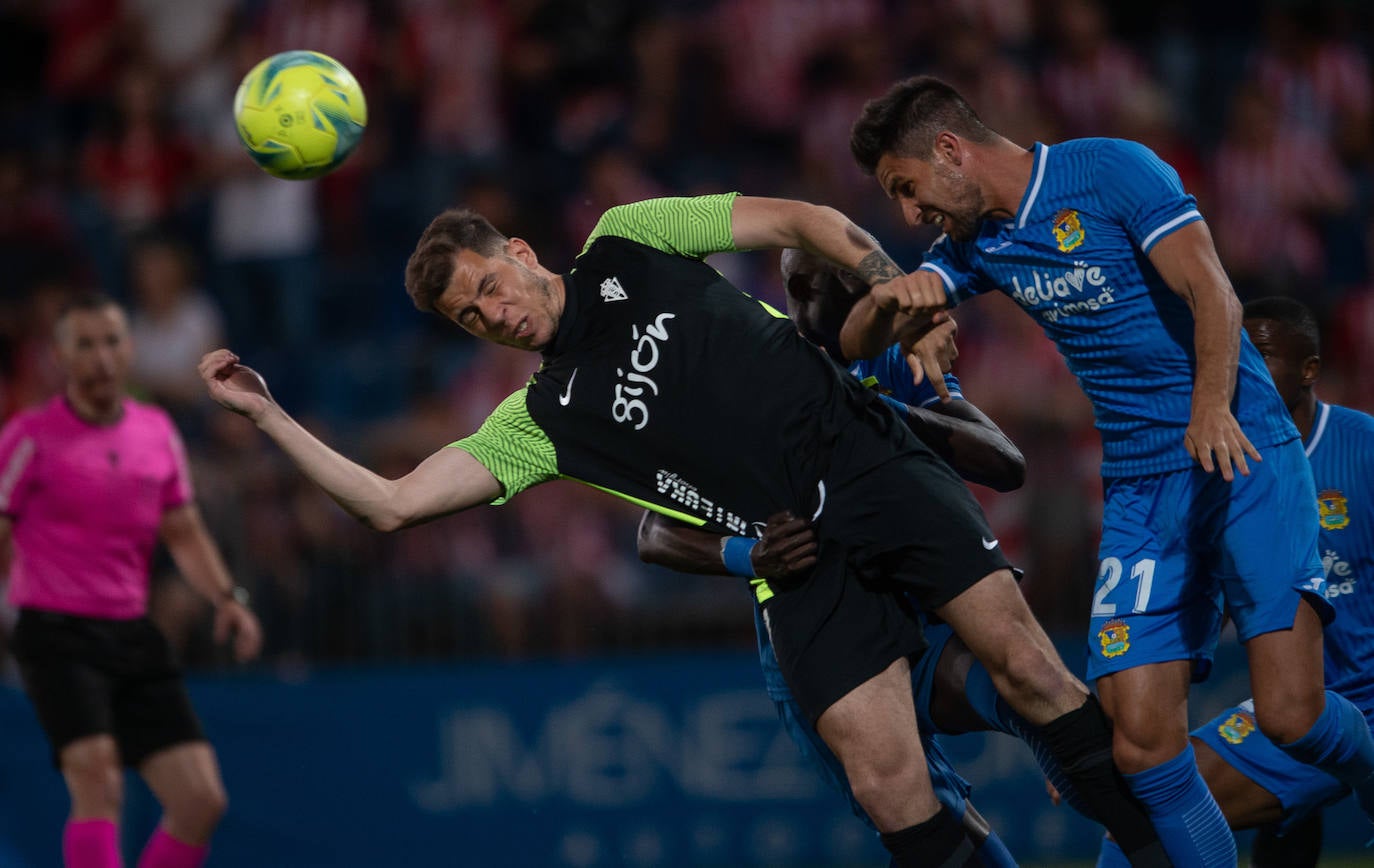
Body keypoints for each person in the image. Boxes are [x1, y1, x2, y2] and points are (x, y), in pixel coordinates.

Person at [199, 193, 1166, 867]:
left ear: (523, 255)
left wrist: (893, 287)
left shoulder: (630, 239)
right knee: (886, 787)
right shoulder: (538, 420)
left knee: (1035, 674)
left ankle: (1159, 853)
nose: (493, 314)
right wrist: (271, 417)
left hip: (861, 458)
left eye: (491, 286)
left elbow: (800, 222)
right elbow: (390, 503)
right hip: (796, 561)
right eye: (469, 317)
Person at [845, 75, 1374, 867]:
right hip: (1140, 488)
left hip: (1239, 448)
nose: (910, 213)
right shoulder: (973, 246)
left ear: (950, 151)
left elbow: (1214, 294)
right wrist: (893, 295)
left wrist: (1208, 408)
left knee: (1293, 716)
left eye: (907, 188)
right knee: (1143, 750)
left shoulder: (1113, 170)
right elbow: (852, 342)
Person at [637, 248, 1032, 866]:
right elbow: (654, 532)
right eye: (851, 278)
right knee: (934, 825)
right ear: (800, 285)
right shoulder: (738, 381)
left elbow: (1003, 463)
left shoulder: (889, 355)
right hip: (815, 636)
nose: (871, 292)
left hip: (913, 608)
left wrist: (873, 409)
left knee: (1038, 702)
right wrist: (749, 554)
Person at [0, 292, 262, 868]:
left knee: (200, 800)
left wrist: (228, 598)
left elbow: (185, 532)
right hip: (55, 632)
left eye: (111, 341)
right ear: (62, 357)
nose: (101, 357)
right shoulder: (29, 436)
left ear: (130, 350)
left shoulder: (156, 432)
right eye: (85, 344)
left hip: (131, 632)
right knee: (100, 782)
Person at [1173, 297, 1374, 868]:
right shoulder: (1227, 464)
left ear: (1309, 369)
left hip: (1362, 703)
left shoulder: (1363, 449)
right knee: (1155, 806)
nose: (1242, 368)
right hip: (1288, 707)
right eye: (1236, 354)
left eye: (1260, 353)